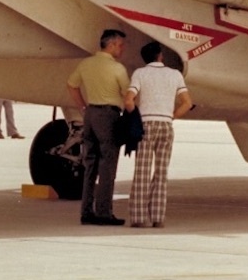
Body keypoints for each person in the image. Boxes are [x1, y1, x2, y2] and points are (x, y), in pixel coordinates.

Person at [68, 29, 134, 226]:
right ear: (111, 45)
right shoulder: (117, 69)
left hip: (90, 115)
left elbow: (71, 85)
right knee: (108, 165)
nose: (122, 49)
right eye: (120, 45)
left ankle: (86, 212)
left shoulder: (86, 64)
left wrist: (82, 107)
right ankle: (104, 212)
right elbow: (127, 94)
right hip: (109, 116)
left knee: (90, 164)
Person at [127, 42, 192, 229]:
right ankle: (158, 217)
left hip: (146, 123)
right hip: (165, 124)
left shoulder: (140, 73)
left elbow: (129, 99)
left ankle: (139, 218)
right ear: (160, 56)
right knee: (161, 172)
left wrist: (134, 117)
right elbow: (187, 102)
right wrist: (172, 116)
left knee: (142, 172)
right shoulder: (175, 75)